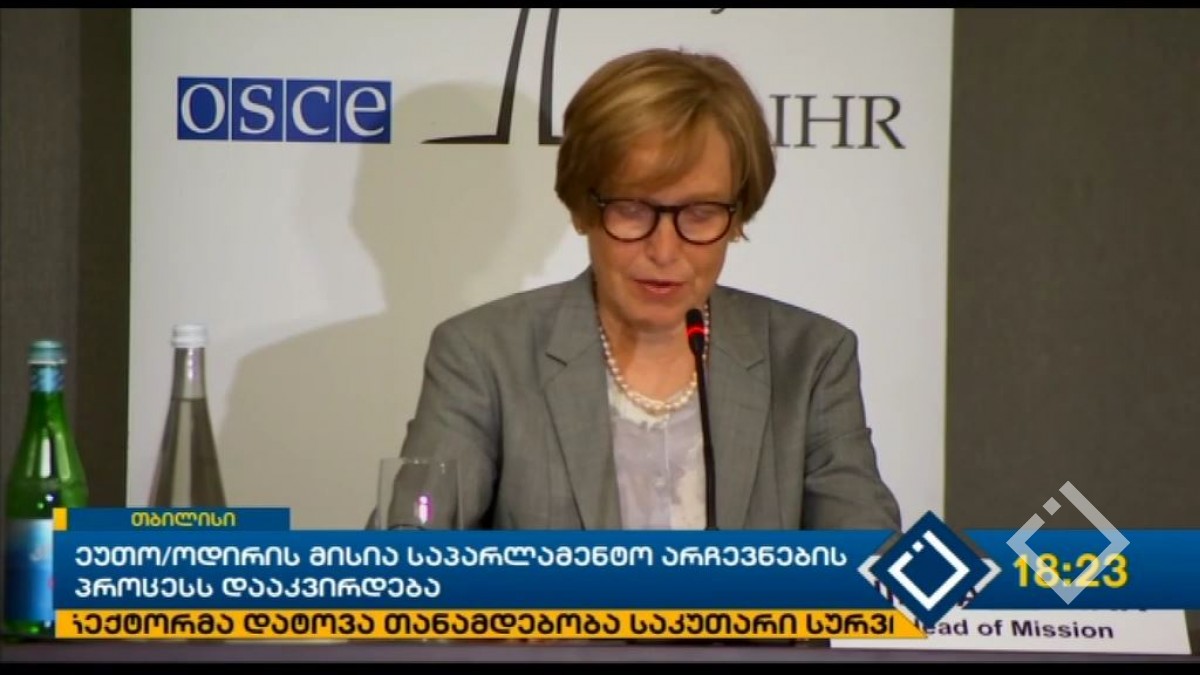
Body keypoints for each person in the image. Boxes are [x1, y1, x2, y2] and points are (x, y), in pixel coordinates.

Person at [386, 46, 901, 533]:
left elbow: (879, 564)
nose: (664, 249)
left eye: (700, 213)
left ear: (737, 217)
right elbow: (406, 558)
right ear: (583, 208)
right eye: (632, 209)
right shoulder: (485, 354)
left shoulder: (809, 359)